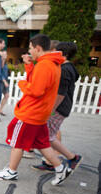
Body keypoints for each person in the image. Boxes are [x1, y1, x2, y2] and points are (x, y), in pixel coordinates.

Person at [0, 34, 71, 186]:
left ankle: (11, 171)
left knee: (18, 142)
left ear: (38, 48)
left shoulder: (44, 65)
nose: (29, 51)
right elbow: (38, 83)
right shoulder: (52, 64)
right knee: (42, 144)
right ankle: (60, 168)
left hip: (31, 113)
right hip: (40, 113)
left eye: (30, 48)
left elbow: (35, 90)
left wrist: (21, 84)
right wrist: (29, 66)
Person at [31, 42, 82, 173]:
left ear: (62, 53)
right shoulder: (67, 68)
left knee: (47, 137)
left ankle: (66, 160)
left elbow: (60, 93)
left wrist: (51, 110)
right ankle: (56, 161)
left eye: (54, 51)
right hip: (60, 108)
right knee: (49, 136)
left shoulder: (65, 70)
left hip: (58, 109)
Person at [0, 50, 10, 116]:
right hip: (1, 81)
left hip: (6, 81)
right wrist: (4, 81)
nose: (5, 55)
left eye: (6, 54)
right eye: (4, 54)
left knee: (7, 95)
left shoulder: (5, 63)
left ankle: (0, 110)